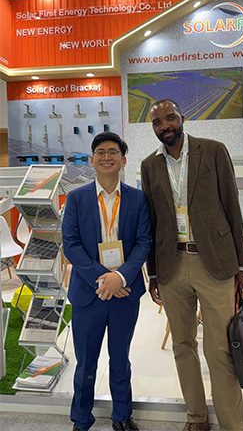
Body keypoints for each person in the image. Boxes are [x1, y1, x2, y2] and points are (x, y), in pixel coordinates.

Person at [140, 99, 243, 431]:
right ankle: (197, 417)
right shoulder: (149, 165)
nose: (165, 126)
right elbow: (152, 221)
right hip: (171, 264)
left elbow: (232, 205)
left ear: (182, 118)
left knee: (220, 350)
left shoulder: (213, 151)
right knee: (182, 346)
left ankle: (232, 425)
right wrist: (153, 272)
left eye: (170, 118)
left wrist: (241, 265)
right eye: (157, 122)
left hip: (213, 261)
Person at [62, 132, 153, 431]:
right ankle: (81, 419)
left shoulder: (137, 198)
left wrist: (121, 276)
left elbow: (143, 241)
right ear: (92, 160)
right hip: (90, 292)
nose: (106, 157)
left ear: (123, 160)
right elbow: (71, 244)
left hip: (125, 292)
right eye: (100, 152)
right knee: (86, 362)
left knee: (120, 358)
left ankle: (122, 416)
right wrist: (104, 278)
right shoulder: (76, 198)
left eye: (112, 152)